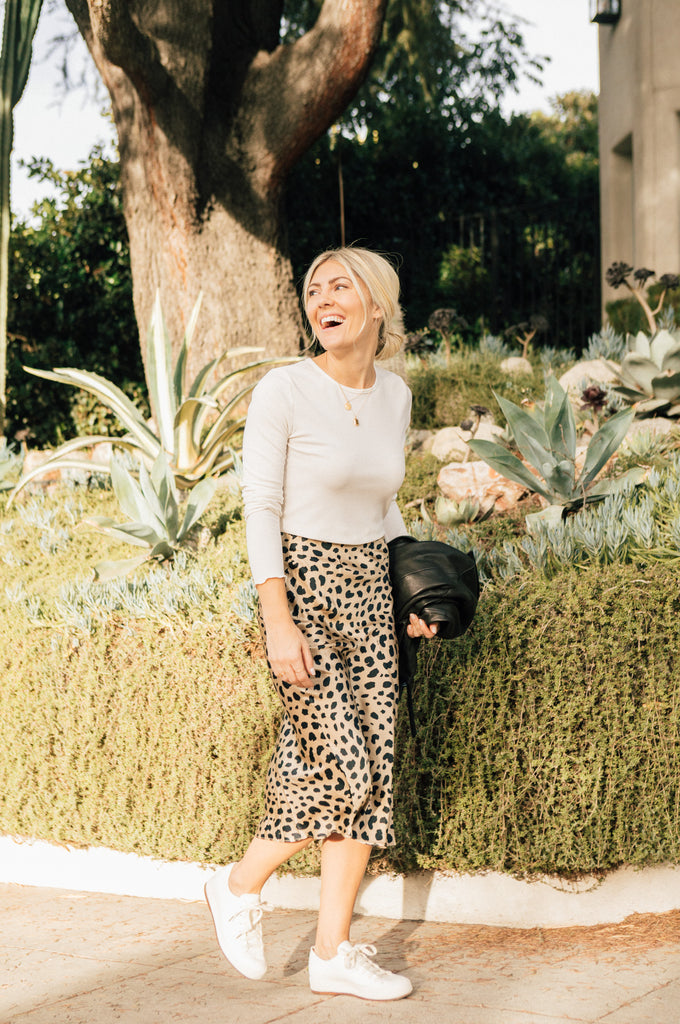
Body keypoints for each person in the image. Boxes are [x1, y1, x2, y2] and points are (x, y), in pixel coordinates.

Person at [205, 246, 438, 1001]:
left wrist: (410, 599)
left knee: (369, 771)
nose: (322, 298)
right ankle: (240, 886)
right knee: (341, 763)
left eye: (340, 286)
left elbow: (384, 504)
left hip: (370, 587)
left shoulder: (394, 395)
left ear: (376, 304)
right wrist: (277, 619)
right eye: (312, 289)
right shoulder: (284, 390)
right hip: (301, 585)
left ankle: (331, 953)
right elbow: (260, 508)